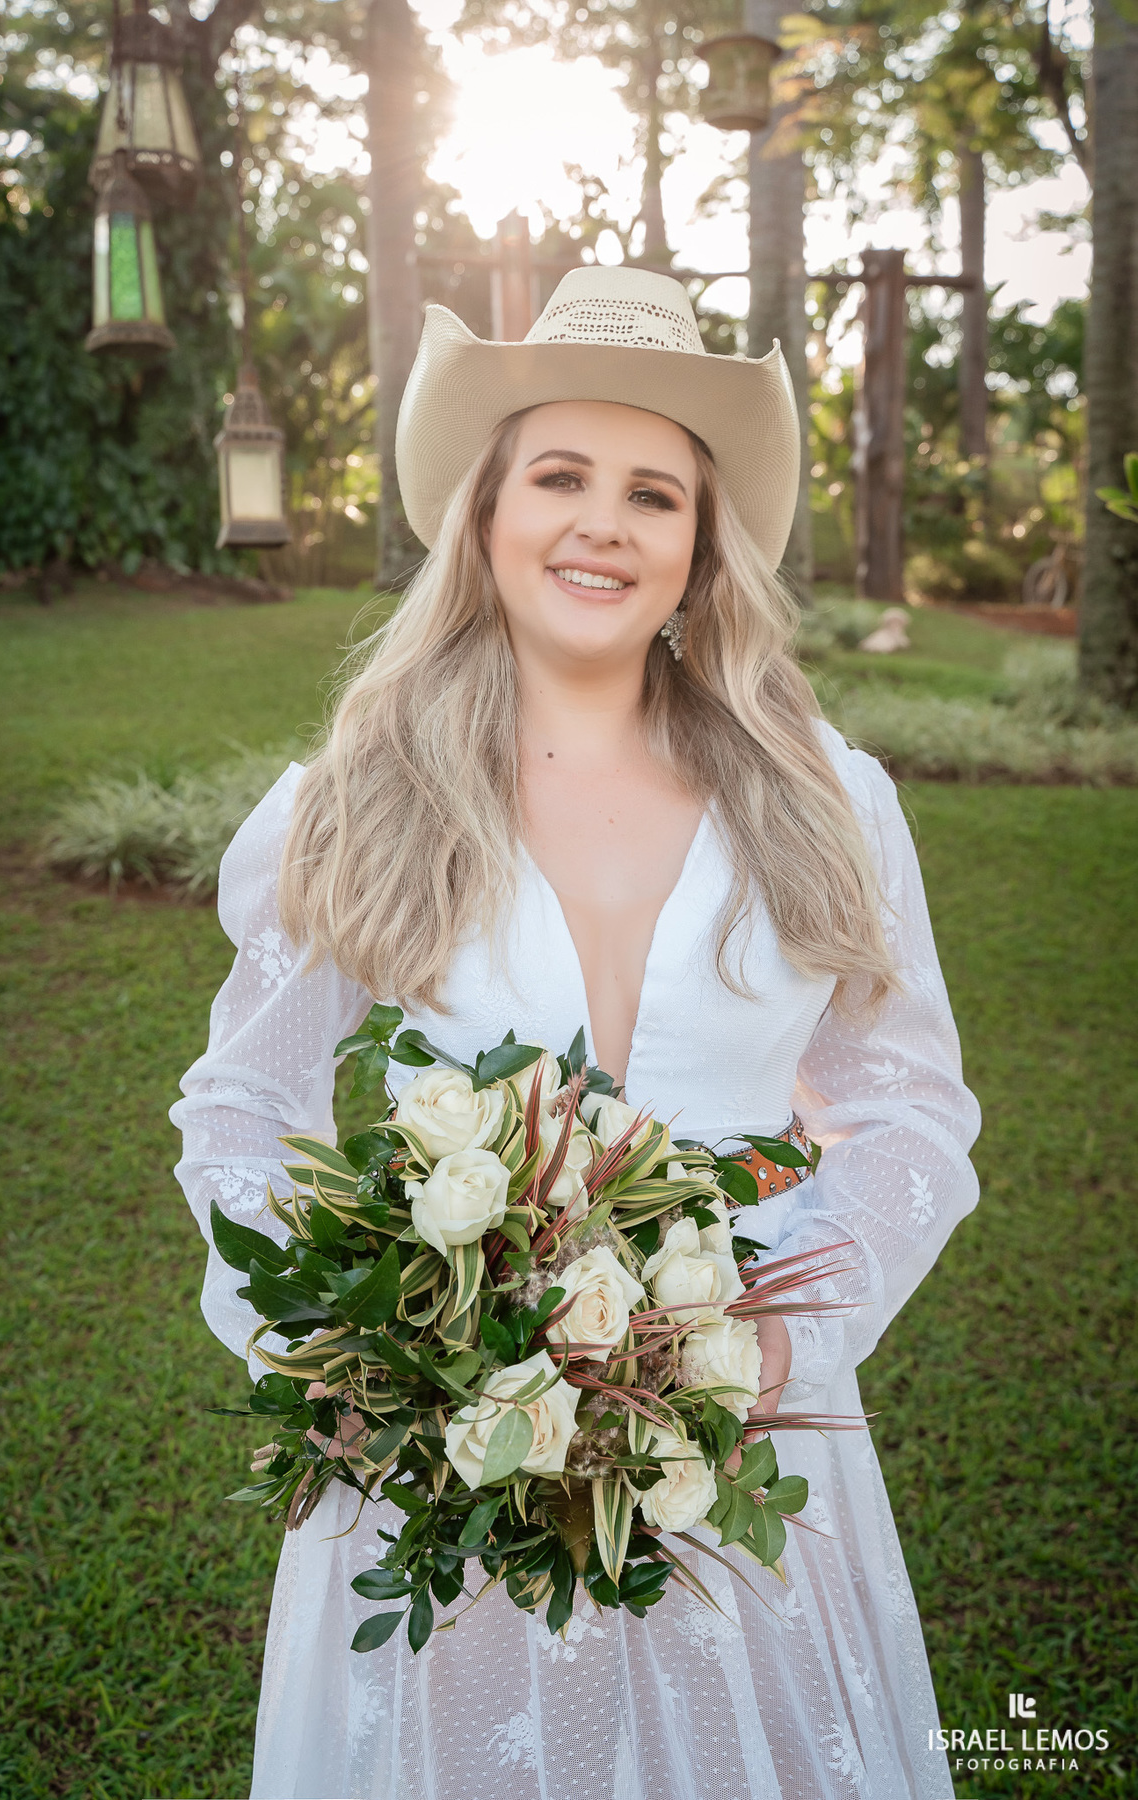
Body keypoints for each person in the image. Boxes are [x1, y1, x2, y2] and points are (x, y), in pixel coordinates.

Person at [171, 266, 979, 1800]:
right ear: (487, 513)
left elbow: (909, 1108)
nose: (603, 523)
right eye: (560, 477)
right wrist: (343, 1357)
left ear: (699, 546)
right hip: (439, 1477)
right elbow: (242, 1113)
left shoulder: (828, 804)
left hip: (749, 1461)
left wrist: (782, 1335)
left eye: (653, 493)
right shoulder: (356, 803)